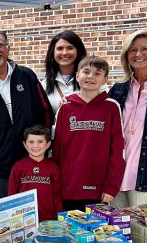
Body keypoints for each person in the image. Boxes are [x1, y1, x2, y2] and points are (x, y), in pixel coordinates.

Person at [0, 30, 53, 238]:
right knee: (0, 222)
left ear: (8, 48)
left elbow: (46, 113)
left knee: (32, 219)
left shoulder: (27, 77)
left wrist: (44, 150)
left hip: (31, 164)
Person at [51, 56, 123, 212]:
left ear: (105, 79)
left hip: (99, 189)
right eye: (86, 71)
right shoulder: (65, 108)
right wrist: (55, 184)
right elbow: (57, 149)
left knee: (97, 234)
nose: (90, 76)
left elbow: (118, 151)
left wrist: (111, 186)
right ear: (77, 76)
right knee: (69, 233)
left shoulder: (112, 108)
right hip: (68, 187)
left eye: (97, 73)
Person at [109, 29, 147, 208]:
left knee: (145, 234)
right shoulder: (118, 89)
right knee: (116, 233)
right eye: (132, 50)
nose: (138, 54)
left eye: (144, 49)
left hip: (146, 175)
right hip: (116, 175)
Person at [7, 126, 62, 221]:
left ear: (48, 144)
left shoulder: (54, 168)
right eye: (31, 142)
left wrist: (58, 218)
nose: (35, 146)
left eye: (40, 142)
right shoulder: (18, 166)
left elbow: (56, 196)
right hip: (23, 220)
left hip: (47, 221)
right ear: (25, 144)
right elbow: (12, 194)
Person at [40, 30, 86, 115]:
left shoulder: (91, 80)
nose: (64, 53)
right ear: (53, 53)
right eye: (60, 48)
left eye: (70, 48)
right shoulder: (45, 85)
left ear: (78, 51)